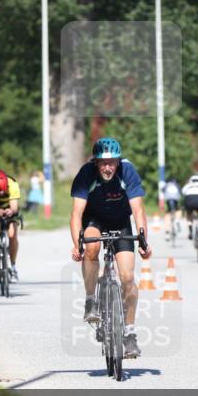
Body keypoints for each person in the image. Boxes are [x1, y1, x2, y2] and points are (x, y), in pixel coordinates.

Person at [70, 137, 151, 359]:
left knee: (127, 278)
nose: (108, 167)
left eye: (112, 162)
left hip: (120, 222)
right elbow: (76, 213)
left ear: (118, 161)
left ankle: (130, 333)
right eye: (103, 163)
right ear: (96, 163)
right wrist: (77, 244)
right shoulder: (86, 174)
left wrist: (143, 241)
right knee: (92, 248)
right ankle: (91, 300)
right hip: (93, 219)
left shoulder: (128, 172)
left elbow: (138, 211)